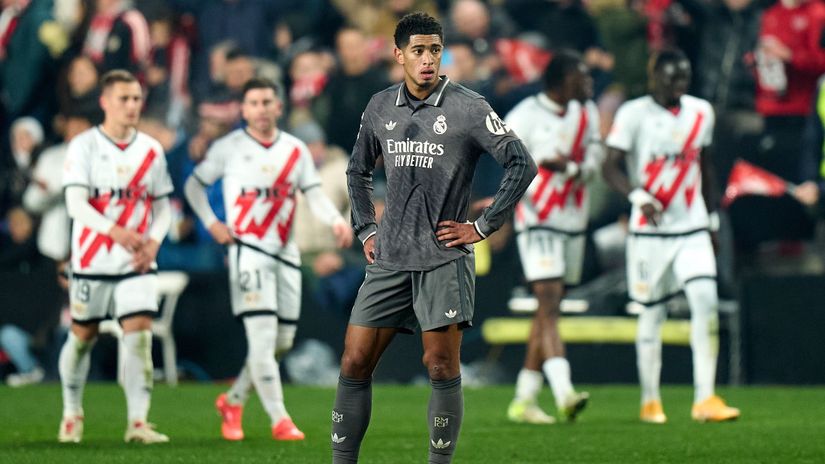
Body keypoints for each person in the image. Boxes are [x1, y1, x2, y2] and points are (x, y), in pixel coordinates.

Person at [330, 12, 537, 464]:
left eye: (435, 50)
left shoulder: (468, 106)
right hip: (389, 258)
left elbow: (522, 164)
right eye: (419, 51)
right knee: (353, 362)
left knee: (441, 366)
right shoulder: (381, 105)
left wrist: (483, 226)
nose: (428, 60)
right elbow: (357, 169)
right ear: (398, 54)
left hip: (443, 258)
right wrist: (365, 227)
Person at [184, 77, 353, 442]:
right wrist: (213, 223)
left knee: (282, 343)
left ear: (279, 107)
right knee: (261, 340)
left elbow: (314, 193)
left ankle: (233, 400)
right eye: (254, 103)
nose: (261, 109)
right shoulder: (228, 148)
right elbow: (194, 186)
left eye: (267, 102)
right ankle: (280, 419)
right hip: (248, 255)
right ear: (243, 110)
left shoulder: (294, 149)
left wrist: (337, 220)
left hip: (286, 254)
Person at [602, 49, 740, 424]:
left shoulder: (701, 111)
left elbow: (706, 166)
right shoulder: (633, 114)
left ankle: (705, 397)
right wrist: (637, 195)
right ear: (654, 77)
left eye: (683, 77)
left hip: (691, 227)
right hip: (650, 234)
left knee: (705, 301)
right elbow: (609, 166)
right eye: (671, 77)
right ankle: (650, 399)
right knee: (652, 315)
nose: (678, 84)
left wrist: (711, 220)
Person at [58, 69, 173, 444]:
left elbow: (162, 208)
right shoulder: (84, 146)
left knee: (138, 336)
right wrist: (116, 232)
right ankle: (72, 411)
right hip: (93, 260)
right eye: (124, 99)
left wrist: (153, 242)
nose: (132, 106)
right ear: (105, 102)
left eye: (137, 99)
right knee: (82, 337)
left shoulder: (151, 150)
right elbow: (76, 204)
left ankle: (138, 423)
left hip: (137, 263)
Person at [504, 49, 601, 425]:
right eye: (582, 77)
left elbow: (595, 163)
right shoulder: (524, 116)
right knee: (547, 301)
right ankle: (564, 392)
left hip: (573, 219)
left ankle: (524, 398)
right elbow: (504, 161)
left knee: (548, 309)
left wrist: (572, 168)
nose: (589, 84)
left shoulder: (587, 113)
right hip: (537, 219)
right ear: (561, 82)